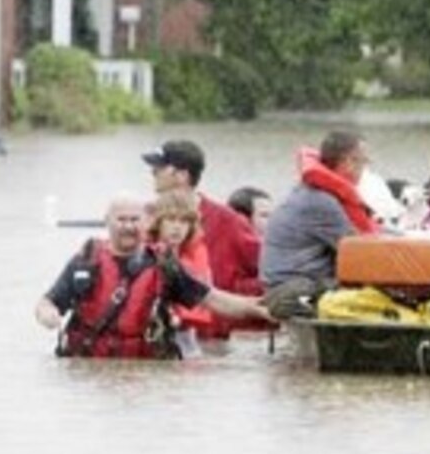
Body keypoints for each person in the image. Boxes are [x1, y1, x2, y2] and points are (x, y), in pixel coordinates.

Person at [34, 195, 271, 359]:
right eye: (121, 219)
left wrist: (257, 308)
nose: (128, 226)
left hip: (145, 366)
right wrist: (48, 315)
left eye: (134, 220)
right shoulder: (85, 260)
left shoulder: (164, 264)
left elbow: (212, 299)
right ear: (107, 221)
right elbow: (49, 301)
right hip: (88, 364)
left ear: (146, 222)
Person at [142, 140, 263, 338]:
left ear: (182, 175)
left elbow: (269, 272)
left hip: (212, 342)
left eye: (159, 168)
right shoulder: (144, 219)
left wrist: (234, 293)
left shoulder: (228, 221)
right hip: (162, 338)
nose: (152, 173)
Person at [260, 130, 376, 316]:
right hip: (293, 293)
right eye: (364, 162)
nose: (365, 169)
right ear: (348, 162)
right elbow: (358, 254)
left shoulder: (312, 192)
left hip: (288, 287)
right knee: (374, 299)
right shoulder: (321, 202)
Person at [147, 190, 212, 358]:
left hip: (187, 343)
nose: (177, 227)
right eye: (171, 219)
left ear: (192, 226)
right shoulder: (147, 259)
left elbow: (212, 300)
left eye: (184, 221)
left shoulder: (193, 259)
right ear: (158, 222)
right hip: (159, 342)